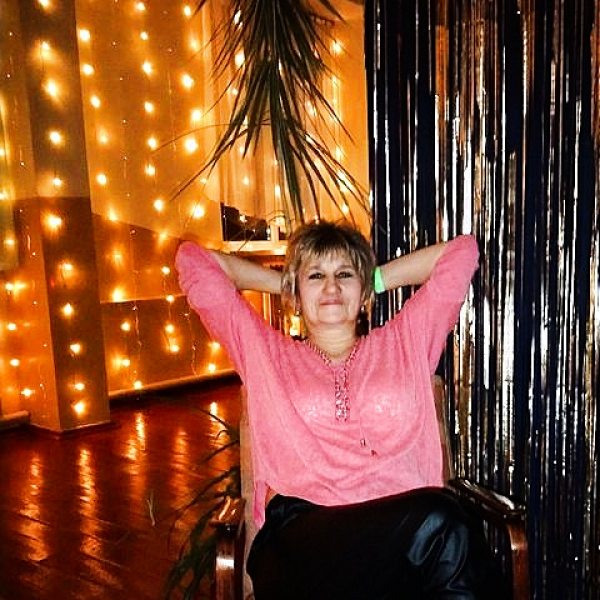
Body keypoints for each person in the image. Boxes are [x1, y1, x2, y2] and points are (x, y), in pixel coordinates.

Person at [175, 220, 507, 599]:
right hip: (300, 542)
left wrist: (372, 279)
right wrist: (288, 285)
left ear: (362, 290)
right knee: (445, 520)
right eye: (316, 275)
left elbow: (462, 253)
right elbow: (193, 261)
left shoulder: (406, 341)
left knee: (442, 528)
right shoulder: (266, 354)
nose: (331, 288)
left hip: (398, 543)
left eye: (345, 275)